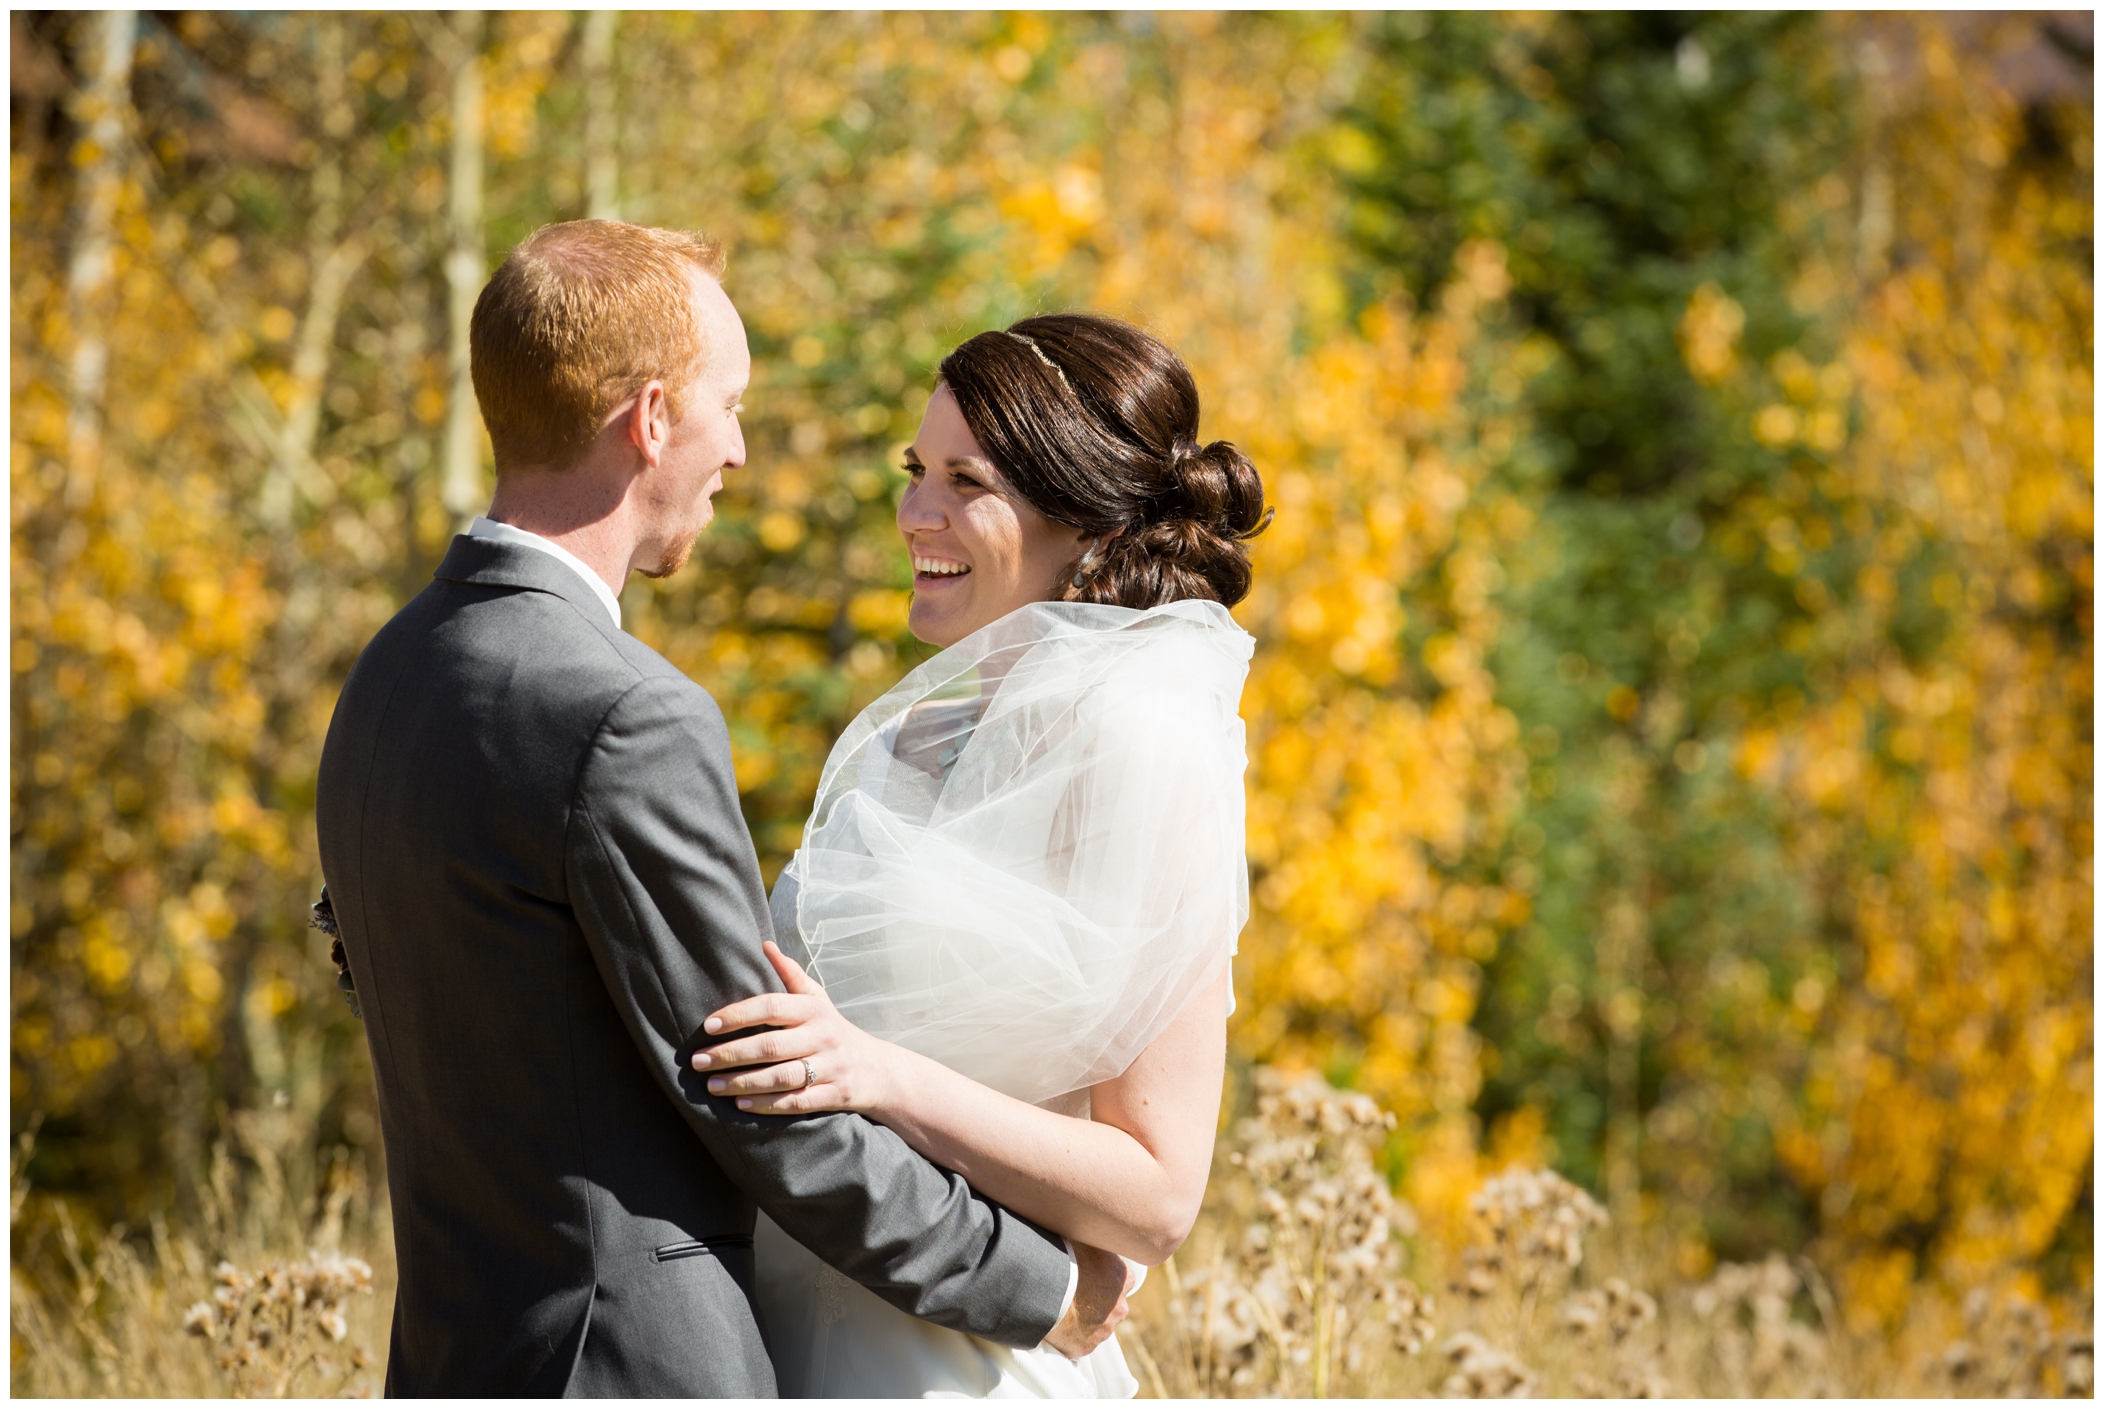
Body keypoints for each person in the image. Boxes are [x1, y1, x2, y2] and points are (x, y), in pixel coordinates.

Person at [312, 222, 1130, 1397]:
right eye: (728, 404)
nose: (738, 449)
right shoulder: (625, 715)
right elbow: (759, 1092)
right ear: (650, 420)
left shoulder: (389, 678)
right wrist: (1041, 1286)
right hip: (631, 1363)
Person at [692, 313, 1270, 1397]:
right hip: (781, 1335)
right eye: (918, 470)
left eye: (967, 480)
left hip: (961, 1362)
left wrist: (877, 1073)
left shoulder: (1139, 740)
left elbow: (1155, 1192)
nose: (916, 512)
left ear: (1082, 514)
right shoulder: (918, 730)